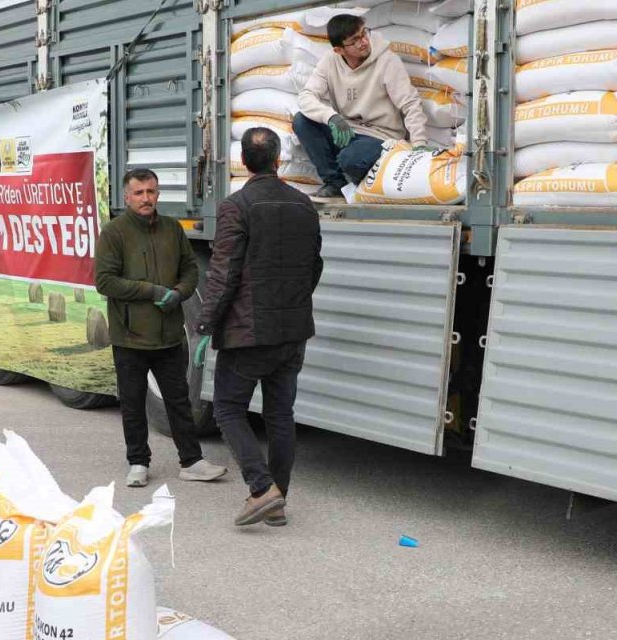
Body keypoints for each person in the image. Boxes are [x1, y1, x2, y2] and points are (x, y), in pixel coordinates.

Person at [194, 128, 323, 527]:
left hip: (250, 331)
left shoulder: (238, 206)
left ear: (244, 163)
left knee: (228, 408)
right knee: (280, 414)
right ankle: (277, 500)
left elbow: (224, 274)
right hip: (293, 330)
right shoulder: (304, 205)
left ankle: (261, 487)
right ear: (278, 160)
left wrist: (204, 322)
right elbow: (314, 266)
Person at [94, 168, 228, 488]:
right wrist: (153, 292)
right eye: (139, 193)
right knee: (133, 401)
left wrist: (180, 294)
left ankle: (191, 461)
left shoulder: (172, 229)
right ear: (127, 197)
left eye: (151, 192)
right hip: (130, 335)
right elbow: (105, 281)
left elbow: (190, 270)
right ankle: (138, 462)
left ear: (158, 194)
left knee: (178, 399)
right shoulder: (114, 232)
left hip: (169, 334)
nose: (146, 198)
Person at [295, 13, 431, 201]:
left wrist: (420, 145)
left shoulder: (387, 60)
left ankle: (359, 181)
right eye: (354, 40)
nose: (363, 42)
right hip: (346, 132)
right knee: (302, 121)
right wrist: (331, 117)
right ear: (339, 50)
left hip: (381, 137)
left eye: (363, 34)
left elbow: (410, 103)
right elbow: (305, 96)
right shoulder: (329, 62)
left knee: (350, 159)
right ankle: (335, 183)